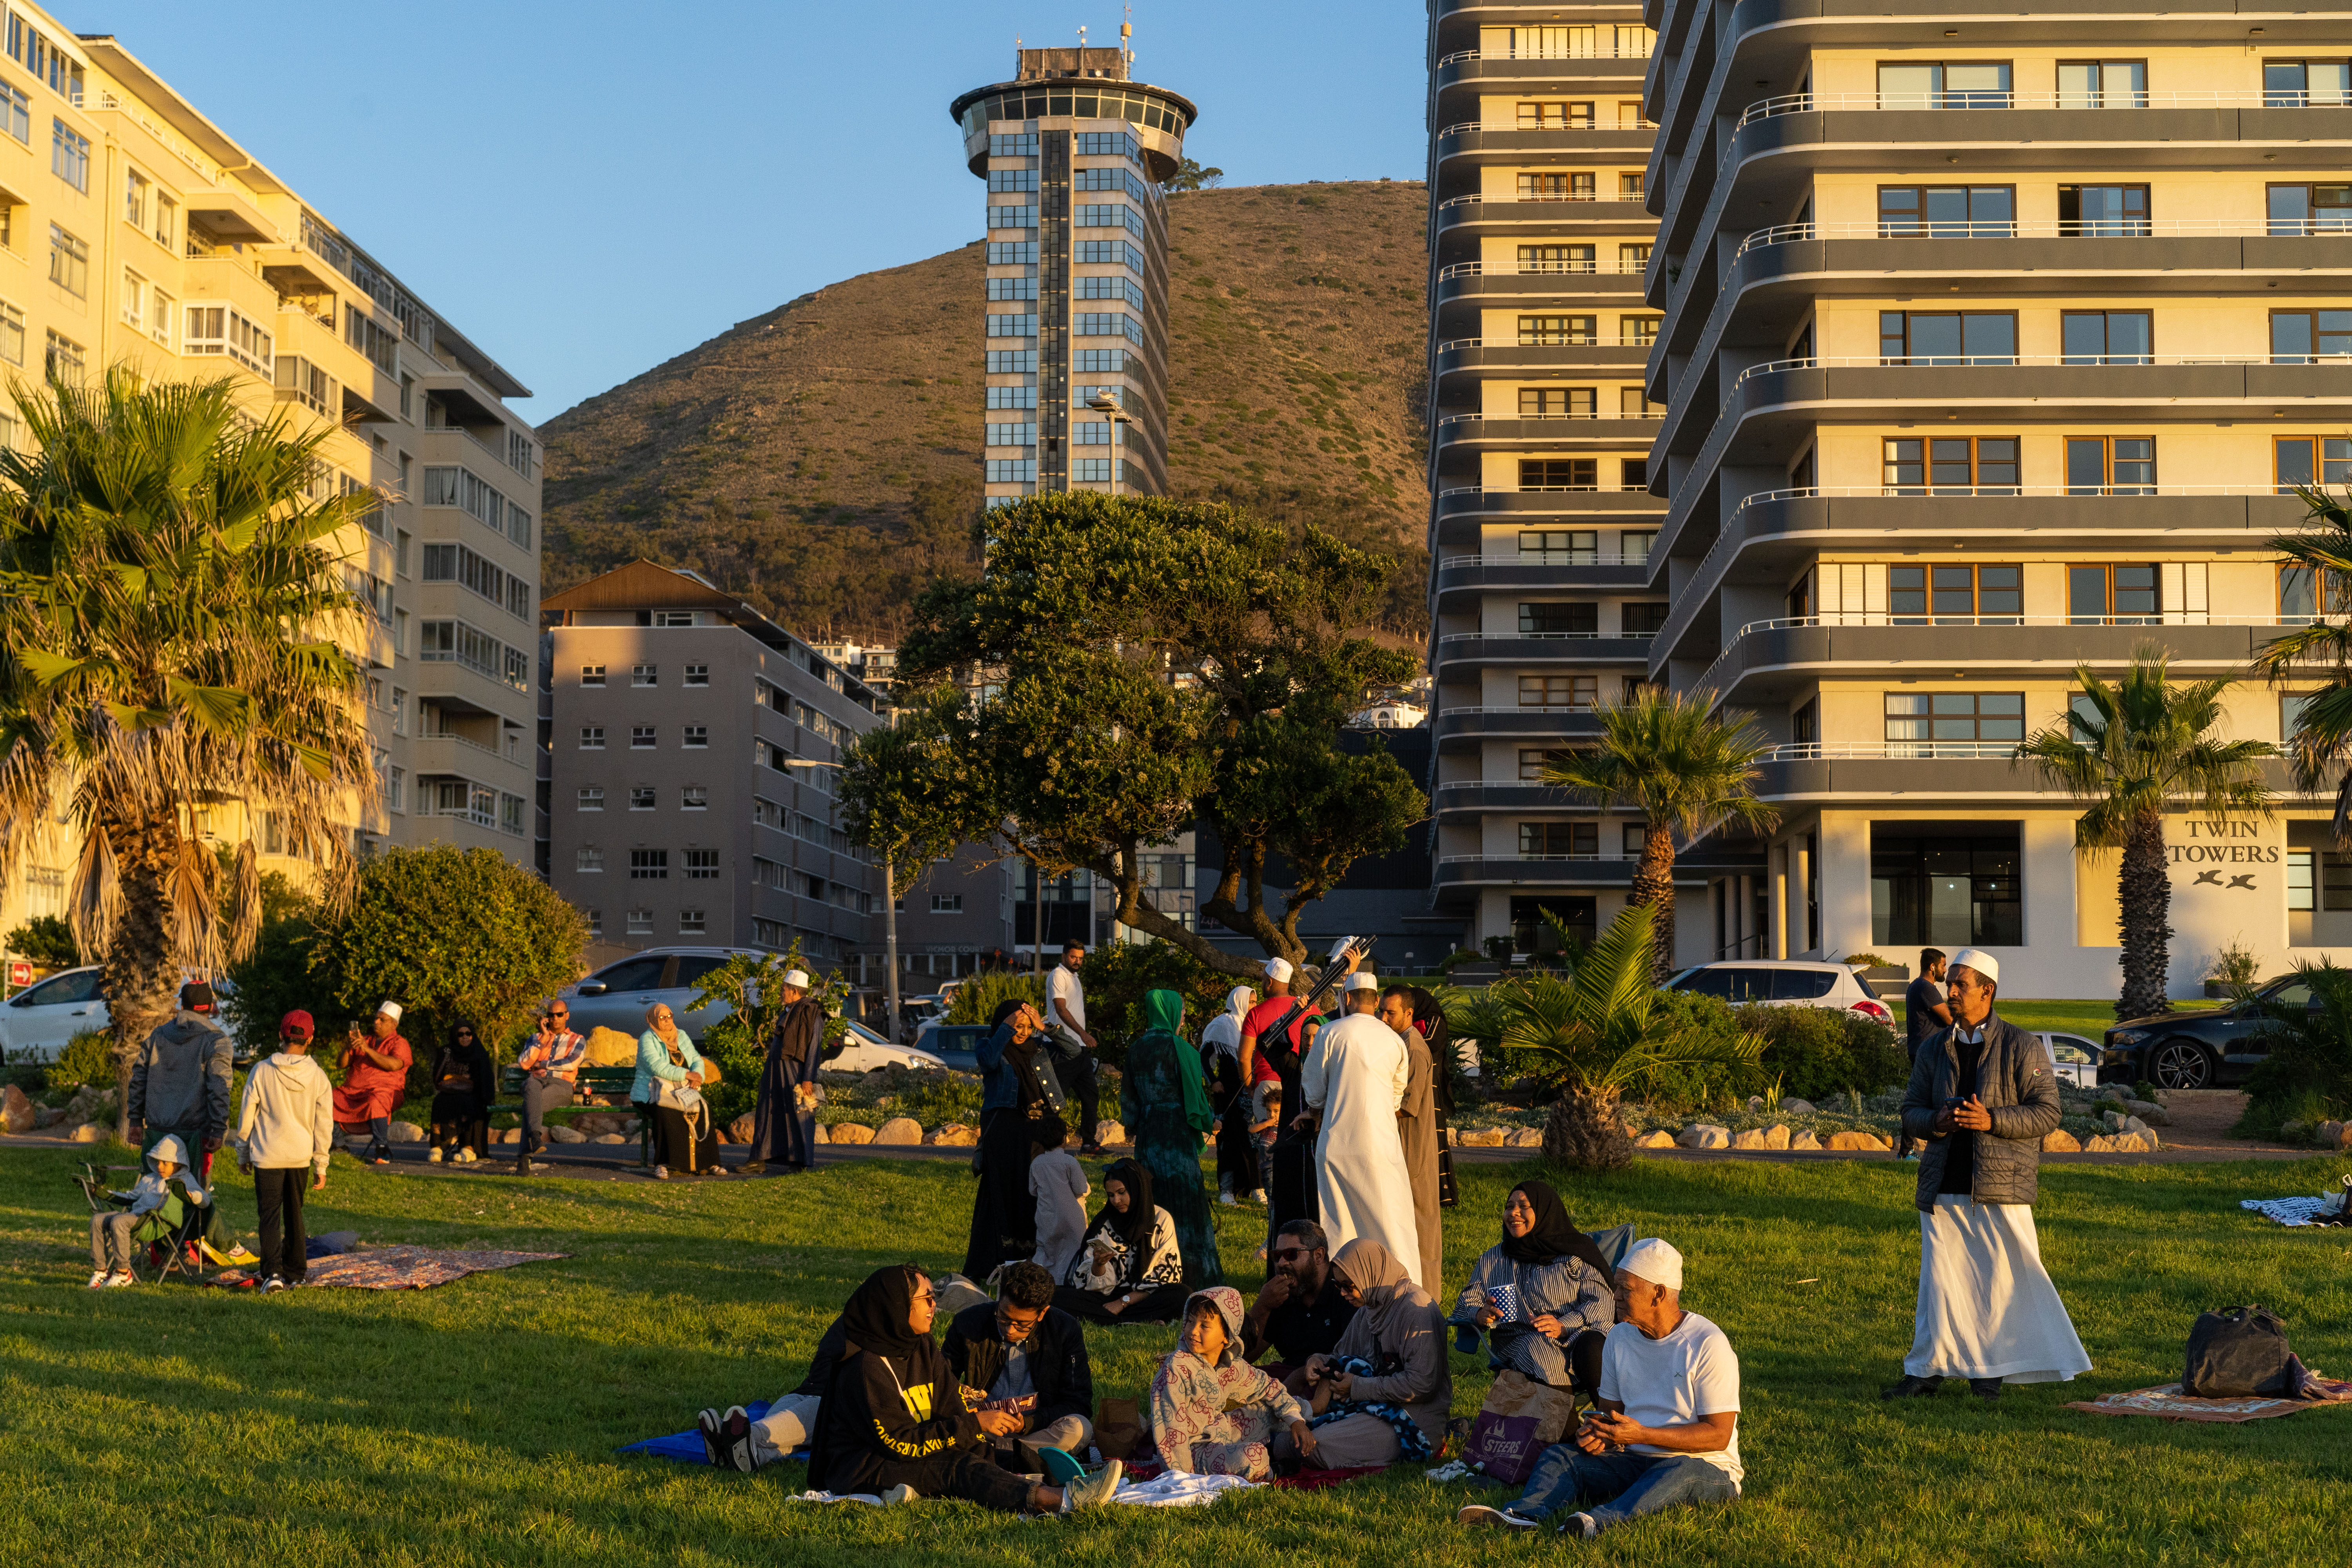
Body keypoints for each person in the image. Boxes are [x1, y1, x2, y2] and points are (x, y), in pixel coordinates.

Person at [1884, 947, 2090, 1401]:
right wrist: (1935, 1121)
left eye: (1960, 985)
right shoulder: (1935, 1048)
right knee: (1939, 1284)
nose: (1951, 991)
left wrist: (1992, 1121)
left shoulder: (2022, 1046)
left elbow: (2047, 1112)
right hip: (1943, 1184)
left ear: (1987, 991)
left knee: (1998, 1287)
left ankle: (1989, 1374)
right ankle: (1927, 1371)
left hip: (2001, 1188)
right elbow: (1910, 1110)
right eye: (1950, 983)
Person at [1460, 1240, 1742, 1538]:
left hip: (1705, 1466)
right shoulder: (1619, 1338)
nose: (1615, 1296)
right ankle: (1523, 1515)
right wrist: (1599, 1434)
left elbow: (1718, 1435)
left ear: (1658, 1294)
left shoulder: (1706, 1343)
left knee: (1679, 1472)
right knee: (1560, 1456)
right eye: (1616, 1286)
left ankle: (1597, 1523)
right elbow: (1609, 1414)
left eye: (1626, 1289)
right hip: (1635, 1458)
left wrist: (1643, 1435)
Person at [804, 1265, 1122, 1512]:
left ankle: (1023, 1479)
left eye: (934, 1297)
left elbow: (950, 1411)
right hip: (868, 1466)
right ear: (898, 1306)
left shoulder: (923, 1347)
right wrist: (975, 1426)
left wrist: (989, 1455)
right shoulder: (866, 1367)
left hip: (924, 1444)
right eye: (926, 1299)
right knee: (957, 1467)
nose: (934, 1305)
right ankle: (1060, 1500)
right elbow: (901, 1445)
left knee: (972, 1458)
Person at [1271, 1237, 1450, 1470]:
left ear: (1370, 1275)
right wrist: (1318, 1361)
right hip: (1373, 1406)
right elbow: (1340, 1354)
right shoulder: (1371, 1308)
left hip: (1414, 1418)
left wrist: (1357, 1387)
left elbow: (1422, 1385)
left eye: (1349, 1286)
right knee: (1303, 1432)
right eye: (1338, 1286)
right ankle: (1264, 1448)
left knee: (1316, 1444)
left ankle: (1266, 1451)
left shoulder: (1416, 1310)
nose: (1343, 1293)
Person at [1300, 972, 1421, 1285]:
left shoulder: (1329, 1033)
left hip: (1337, 1143)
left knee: (1340, 1226)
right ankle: (1405, 1288)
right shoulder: (1395, 1040)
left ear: (1348, 998)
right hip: (1382, 1145)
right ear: (1376, 1000)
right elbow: (1397, 1096)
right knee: (1391, 1222)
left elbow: (1313, 1091)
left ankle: (1346, 1290)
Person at [1450, 1180, 1615, 1393]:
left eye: (1524, 1206)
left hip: (1577, 1338)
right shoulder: (1492, 1260)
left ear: (1544, 1211)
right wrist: (1479, 1314)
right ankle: (1569, 1426)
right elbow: (1464, 1306)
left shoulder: (1573, 1254)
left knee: (1594, 1348)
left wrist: (1564, 1325)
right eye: (1509, 1207)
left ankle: (1612, 1421)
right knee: (1537, 1349)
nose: (1514, 1213)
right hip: (1520, 1345)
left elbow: (1603, 1300)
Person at [943, 1261, 1097, 1470]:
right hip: (983, 1426)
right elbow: (940, 1382)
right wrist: (959, 1394)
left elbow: (1078, 1402)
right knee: (938, 1424)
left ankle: (992, 1457)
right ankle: (1024, 1460)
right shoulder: (968, 1322)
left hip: (1037, 1429)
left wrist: (1030, 1423)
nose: (1010, 1331)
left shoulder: (1065, 1330)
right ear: (999, 1300)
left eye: (1022, 1325)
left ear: (1042, 1314)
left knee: (1080, 1429)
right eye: (1004, 1318)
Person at [1151, 1286, 1316, 1479]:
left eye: (1204, 1326)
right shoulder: (1176, 1370)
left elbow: (1268, 1387)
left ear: (1227, 1335)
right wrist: (1184, 1480)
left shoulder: (1231, 1366)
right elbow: (1172, 1432)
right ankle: (1271, 1470)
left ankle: (1282, 1449)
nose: (1193, 1331)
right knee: (1255, 1456)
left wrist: (1297, 1421)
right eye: (1190, 1321)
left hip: (1222, 1435)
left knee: (1295, 1408)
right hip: (1195, 1455)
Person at [1120, 988, 1223, 1287]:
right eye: (1182, 1012)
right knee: (1186, 1203)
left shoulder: (1136, 1049)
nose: (1183, 1018)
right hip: (1175, 1133)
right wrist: (1209, 1122)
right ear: (1171, 1012)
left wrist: (1133, 1124)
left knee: (1152, 1198)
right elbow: (1196, 1099)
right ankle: (1194, 1275)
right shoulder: (1181, 1049)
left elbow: (1129, 1098)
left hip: (1149, 1135)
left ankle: (1152, 1272)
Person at [964, 998, 1066, 1279]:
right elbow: (988, 1062)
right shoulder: (990, 1045)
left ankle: (1030, 1259)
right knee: (1002, 1193)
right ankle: (997, 1261)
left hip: (1035, 1132)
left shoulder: (1039, 1049)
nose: (1022, 1032)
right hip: (1004, 1131)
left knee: (1033, 1193)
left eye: (1025, 1026)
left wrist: (1044, 1027)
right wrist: (1004, 1032)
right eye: (1016, 1025)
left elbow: (1073, 1051)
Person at [235, 1011, 335, 1292]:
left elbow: (247, 1117)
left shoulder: (261, 1071)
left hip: (267, 1155)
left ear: (281, 1035)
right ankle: (297, 1271)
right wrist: (321, 1164)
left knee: (269, 1216)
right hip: (300, 1157)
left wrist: (243, 1153)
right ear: (310, 1039)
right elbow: (324, 1124)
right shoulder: (318, 1077)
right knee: (295, 1214)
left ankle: (273, 1274)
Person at [1054, 1157, 1187, 1323]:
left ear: (1136, 1188)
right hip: (1107, 1297)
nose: (1116, 1201)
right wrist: (1098, 1265)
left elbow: (1164, 1275)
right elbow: (1096, 1287)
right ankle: (1138, 1320)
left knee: (1182, 1295)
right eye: (1111, 1195)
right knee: (1056, 1297)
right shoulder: (1104, 1223)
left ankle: (1114, 1319)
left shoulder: (1160, 1219)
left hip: (1144, 1296)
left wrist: (1122, 1303)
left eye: (1122, 1192)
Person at [127, 983, 234, 1182]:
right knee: (192, 1198)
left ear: (182, 1006)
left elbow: (138, 1078)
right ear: (210, 1007)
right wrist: (219, 1130)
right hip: (195, 1137)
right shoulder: (217, 1041)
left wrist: (135, 1120)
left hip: (157, 1133)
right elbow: (219, 1088)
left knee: (152, 1197)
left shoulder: (157, 1036)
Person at [1377, 985, 1445, 1294]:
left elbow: (1407, 1106)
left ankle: (1428, 1293)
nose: (1383, 1018)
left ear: (1409, 1013)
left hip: (1414, 1147)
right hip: (1402, 1144)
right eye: (1381, 1011)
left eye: (1390, 1012)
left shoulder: (1415, 1049)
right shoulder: (1398, 1043)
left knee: (1421, 1220)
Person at [1239, 1218, 1358, 1379]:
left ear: (1319, 1255)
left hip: (1331, 1377)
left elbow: (1353, 1354)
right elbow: (1242, 1356)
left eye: (1291, 1254)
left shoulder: (1345, 1291)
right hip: (1288, 1377)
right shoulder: (1280, 1296)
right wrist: (1262, 1306)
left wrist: (1299, 1377)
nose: (1282, 1263)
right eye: (1277, 1255)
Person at [86, 1134, 210, 1288]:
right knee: (97, 1220)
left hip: (154, 1222)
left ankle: (123, 1273)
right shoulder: (150, 1179)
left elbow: (205, 1200)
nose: (160, 1167)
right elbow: (130, 1197)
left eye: (166, 1163)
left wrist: (192, 1195)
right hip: (135, 1216)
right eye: (158, 1162)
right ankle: (101, 1271)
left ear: (178, 1164)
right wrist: (103, 1193)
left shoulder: (185, 1180)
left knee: (119, 1221)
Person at [744, 967, 825, 1175]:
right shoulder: (788, 1010)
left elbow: (814, 1047)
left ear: (795, 992)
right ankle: (758, 1159)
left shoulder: (812, 1012)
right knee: (768, 1111)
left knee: (798, 1113)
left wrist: (808, 1078)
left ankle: (800, 1162)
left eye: (784, 989)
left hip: (795, 1073)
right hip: (775, 1071)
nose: (781, 993)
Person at [633, 1003, 724, 1179]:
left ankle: (709, 1162)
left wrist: (698, 1076)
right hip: (651, 1093)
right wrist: (687, 1074)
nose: (667, 1021)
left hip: (681, 1090)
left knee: (704, 1109)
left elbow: (696, 1059)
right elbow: (657, 1067)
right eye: (662, 1018)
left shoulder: (681, 1035)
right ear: (653, 1020)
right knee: (665, 1112)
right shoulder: (648, 1039)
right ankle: (663, 1164)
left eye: (670, 1016)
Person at [332, 1002, 412, 1167]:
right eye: (376, 1018)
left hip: (386, 1092)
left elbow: (394, 1065)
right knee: (326, 1096)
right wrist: (347, 1047)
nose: (377, 1022)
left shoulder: (399, 1043)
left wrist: (367, 1050)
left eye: (382, 1020)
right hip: (352, 1091)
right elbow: (340, 1065)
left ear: (394, 1024)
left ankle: (382, 1148)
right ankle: (337, 1144)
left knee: (376, 1100)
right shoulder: (365, 1040)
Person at [513, 1002, 587, 1176]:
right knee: (531, 1086)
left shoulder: (577, 1039)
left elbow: (571, 1064)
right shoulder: (536, 1038)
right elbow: (524, 1064)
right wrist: (544, 1038)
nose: (555, 1019)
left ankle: (525, 1159)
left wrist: (542, 1064)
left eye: (559, 1015)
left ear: (567, 1016)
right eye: (551, 1015)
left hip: (561, 1085)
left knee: (530, 1106)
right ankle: (536, 1139)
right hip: (536, 1082)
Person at [1043, 941, 1103, 1153]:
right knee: (1055, 1099)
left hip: (1079, 1049)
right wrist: (1083, 1033)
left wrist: (1082, 1038)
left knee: (1090, 1095)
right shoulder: (1058, 975)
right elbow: (1060, 1008)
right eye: (1073, 957)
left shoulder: (1074, 978)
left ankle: (1088, 1142)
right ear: (1063, 956)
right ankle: (1047, 1144)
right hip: (1062, 1047)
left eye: (1080, 958)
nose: (1078, 962)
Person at [1201, 984, 1258, 1204]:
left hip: (1248, 1091)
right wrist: (1213, 1081)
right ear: (1239, 1001)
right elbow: (1204, 1056)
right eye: (1250, 1002)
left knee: (1251, 1139)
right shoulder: (1222, 1024)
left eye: (1255, 1002)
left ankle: (1255, 1187)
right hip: (1227, 1094)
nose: (1253, 1006)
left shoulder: (1253, 1024)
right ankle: (1226, 1191)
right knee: (1228, 1141)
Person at [1896, 948, 1953, 1160]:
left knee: (1924, 1099)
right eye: (1943, 965)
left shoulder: (1916, 986)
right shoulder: (1926, 987)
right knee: (1925, 1099)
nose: (1945, 970)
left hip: (1922, 1050)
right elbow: (1949, 1018)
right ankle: (1906, 1152)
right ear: (1933, 967)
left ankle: (1906, 1151)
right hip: (1927, 1051)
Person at [426, 1021, 495, 1164]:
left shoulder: (479, 1052)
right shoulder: (447, 1051)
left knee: (470, 1103)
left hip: (474, 1093)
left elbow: (486, 1080)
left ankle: (467, 1148)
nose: (465, 1037)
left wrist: (472, 1081)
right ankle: (437, 1147)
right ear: (455, 1036)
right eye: (461, 1034)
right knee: (439, 1102)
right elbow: (438, 1076)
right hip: (450, 1092)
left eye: (469, 1033)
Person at [1030, 1127, 1091, 1281]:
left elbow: (1032, 1190)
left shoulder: (1037, 1163)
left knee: (1047, 1250)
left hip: (1047, 1216)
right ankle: (1071, 1282)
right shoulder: (1069, 1161)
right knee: (1074, 1251)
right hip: (1072, 1216)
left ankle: (1042, 1282)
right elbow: (1081, 1189)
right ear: (1064, 1139)